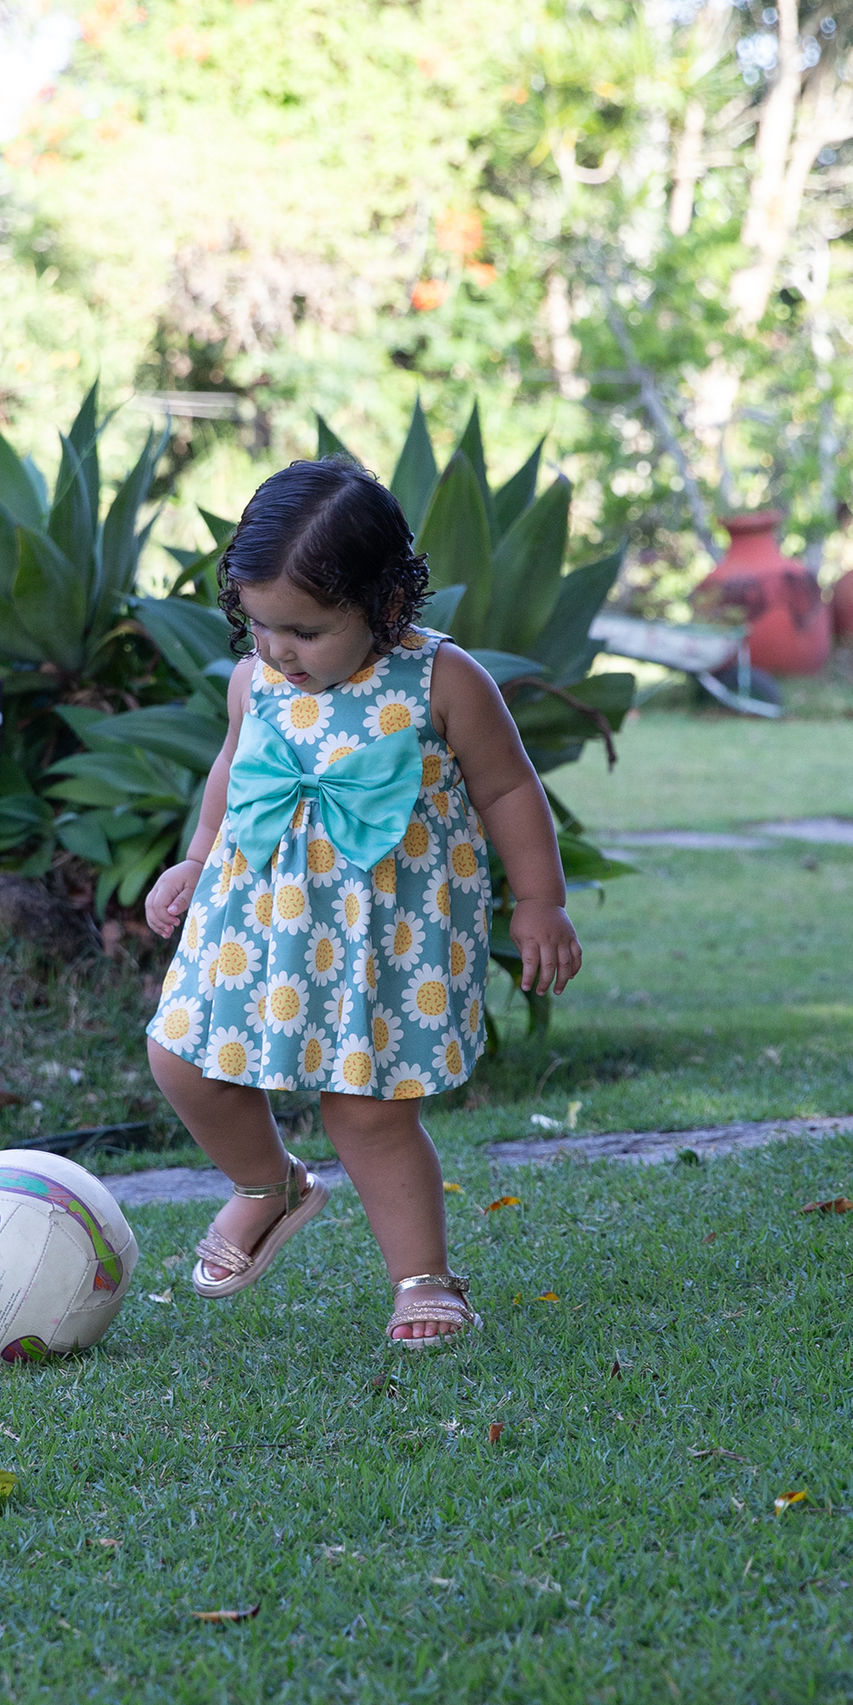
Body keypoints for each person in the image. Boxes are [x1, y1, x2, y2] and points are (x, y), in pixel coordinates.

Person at [144, 458, 581, 1348]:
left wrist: (540, 900)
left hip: (383, 936)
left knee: (367, 1110)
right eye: (260, 624)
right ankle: (270, 1184)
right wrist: (195, 858)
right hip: (252, 922)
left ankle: (423, 1277)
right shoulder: (254, 681)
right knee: (182, 1061)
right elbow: (231, 770)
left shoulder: (442, 680)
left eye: (304, 630)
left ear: (385, 604)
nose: (278, 650)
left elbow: (508, 789)